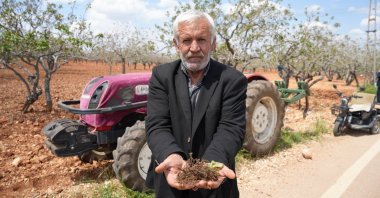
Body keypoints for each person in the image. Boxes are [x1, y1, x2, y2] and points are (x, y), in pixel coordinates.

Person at [145, 10, 247, 198]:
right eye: (186, 40)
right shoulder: (162, 76)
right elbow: (157, 124)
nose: (194, 48)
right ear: (176, 44)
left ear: (213, 43)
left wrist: (211, 165)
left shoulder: (232, 80)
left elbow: (231, 127)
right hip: (172, 180)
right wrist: (170, 154)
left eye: (201, 39)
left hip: (215, 183)